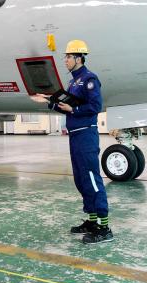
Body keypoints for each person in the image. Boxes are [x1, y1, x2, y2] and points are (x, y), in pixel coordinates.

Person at [31, 40, 113, 244]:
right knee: (81, 179)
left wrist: (74, 110)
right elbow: (66, 106)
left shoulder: (89, 79)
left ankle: (104, 227)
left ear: (78, 58)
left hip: (86, 134)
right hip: (75, 134)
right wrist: (49, 101)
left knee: (92, 179)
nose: (65, 60)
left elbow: (95, 106)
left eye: (68, 57)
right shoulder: (72, 83)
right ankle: (92, 220)